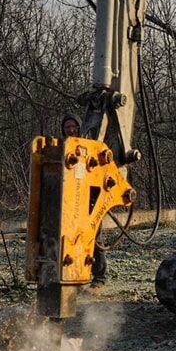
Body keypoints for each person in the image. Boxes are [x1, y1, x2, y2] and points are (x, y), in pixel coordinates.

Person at [61, 113, 107, 292]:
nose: (71, 130)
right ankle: (77, 277)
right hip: (71, 202)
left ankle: (99, 278)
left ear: (80, 128)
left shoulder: (91, 148)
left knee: (95, 238)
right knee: (73, 240)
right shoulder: (63, 150)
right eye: (67, 128)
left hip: (91, 202)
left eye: (74, 127)